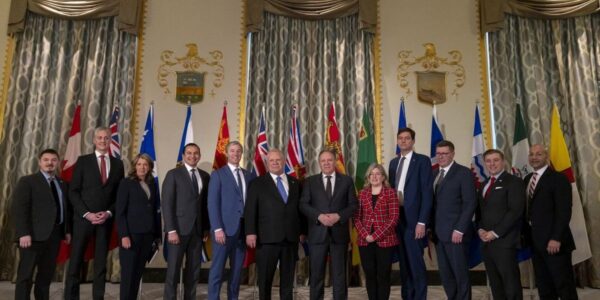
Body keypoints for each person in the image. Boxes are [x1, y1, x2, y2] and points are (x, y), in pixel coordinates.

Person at [65, 127, 125, 300]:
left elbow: (118, 195)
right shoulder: (83, 161)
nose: (103, 141)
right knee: (76, 261)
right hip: (83, 220)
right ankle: (70, 297)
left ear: (109, 140)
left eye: (106, 138)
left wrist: (107, 213)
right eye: (99, 138)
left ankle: (98, 297)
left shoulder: (118, 164)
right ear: (94, 140)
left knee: (100, 264)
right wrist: (86, 214)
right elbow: (73, 191)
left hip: (104, 221)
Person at [245, 149, 305, 300]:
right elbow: (250, 210)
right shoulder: (257, 183)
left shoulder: (295, 183)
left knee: (287, 281)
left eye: (278, 160)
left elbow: (301, 210)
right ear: (266, 163)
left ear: (284, 161)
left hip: (290, 239)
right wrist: (250, 232)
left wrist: (303, 231)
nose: (275, 163)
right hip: (266, 239)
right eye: (271, 160)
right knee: (265, 280)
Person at [12, 149, 72, 300]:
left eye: (53, 160)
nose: (49, 163)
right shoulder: (28, 181)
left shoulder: (62, 183)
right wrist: (23, 233)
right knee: (25, 276)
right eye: (46, 160)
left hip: (54, 237)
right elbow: (20, 209)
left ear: (57, 163)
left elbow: (65, 209)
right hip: (32, 236)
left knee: (45, 277)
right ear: (39, 162)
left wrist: (67, 231)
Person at [300, 149, 357, 300]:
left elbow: (353, 205)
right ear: (319, 163)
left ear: (335, 161)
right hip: (317, 234)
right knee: (316, 274)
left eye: (329, 160)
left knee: (339, 275)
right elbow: (303, 205)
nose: (326, 163)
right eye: (323, 161)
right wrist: (319, 216)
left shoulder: (346, 181)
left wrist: (339, 216)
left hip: (339, 234)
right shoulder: (310, 181)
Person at [525, 144, 577, 300]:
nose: (534, 157)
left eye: (539, 154)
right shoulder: (527, 179)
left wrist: (556, 238)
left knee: (564, 285)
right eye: (532, 154)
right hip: (535, 243)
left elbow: (564, 211)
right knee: (544, 286)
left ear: (546, 157)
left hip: (554, 243)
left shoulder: (558, 178)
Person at [387, 127, 432, 300]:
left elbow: (427, 193)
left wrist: (422, 222)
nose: (403, 141)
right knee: (404, 264)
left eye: (407, 138)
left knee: (416, 263)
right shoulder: (393, 163)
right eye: (400, 138)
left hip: (414, 221)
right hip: (397, 220)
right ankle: (408, 296)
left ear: (413, 141)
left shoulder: (422, 161)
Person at [162, 142, 210, 300]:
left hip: (197, 232)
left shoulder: (204, 176)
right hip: (178, 231)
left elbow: (205, 205)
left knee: (193, 271)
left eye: (196, 153)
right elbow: (167, 204)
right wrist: (171, 230)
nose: (192, 156)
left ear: (200, 156)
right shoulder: (173, 174)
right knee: (173, 271)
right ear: (183, 156)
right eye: (189, 153)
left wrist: (205, 228)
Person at [207, 141, 255, 300]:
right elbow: (212, 203)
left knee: (236, 271)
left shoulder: (249, 175)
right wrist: (217, 228)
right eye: (232, 151)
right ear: (227, 153)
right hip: (224, 231)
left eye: (239, 151)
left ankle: (232, 298)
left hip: (242, 230)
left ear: (242, 154)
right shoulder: (218, 174)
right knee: (217, 270)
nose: (236, 154)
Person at [431, 140, 477, 300]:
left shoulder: (463, 173)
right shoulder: (434, 173)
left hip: (456, 234)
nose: (441, 157)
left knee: (460, 274)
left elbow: (470, 203)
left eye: (445, 153)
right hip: (438, 234)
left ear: (452, 153)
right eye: (438, 153)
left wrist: (460, 229)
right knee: (446, 275)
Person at [477, 149, 524, 300]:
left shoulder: (514, 182)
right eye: (488, 161)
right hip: (486, 243)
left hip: (505, 241)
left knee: (511, 285)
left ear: (503, 161)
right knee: (496, 284)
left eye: (495, 160)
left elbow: (515, 211)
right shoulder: (484, 184)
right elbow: (480, 212)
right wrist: (480, 229)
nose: (492, 164)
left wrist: (495, 233)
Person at [116, 153, 161, 300]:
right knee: (128, 275)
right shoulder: (126, 183)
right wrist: (124, 235)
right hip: (131, 236)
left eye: (145, 164)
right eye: (139, 164)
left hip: (147, 235)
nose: (142, 167)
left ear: (149, 167)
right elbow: (120, 212)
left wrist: (157, 236)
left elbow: (155, 210)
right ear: (134, 166)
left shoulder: (152, 184)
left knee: (137, 274)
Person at [353, 163, 399, 300]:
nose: (374, 176)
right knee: (370, 274)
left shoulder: (390, 193)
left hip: (385, 241)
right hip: (365, 241)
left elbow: (393, 218)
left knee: (383, 274)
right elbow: (356, 217)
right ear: (368, 177)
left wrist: (375, 235)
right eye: (371, 174)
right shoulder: (362, 193)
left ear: (383, 177)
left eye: (377, 174)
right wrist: (366, 235)